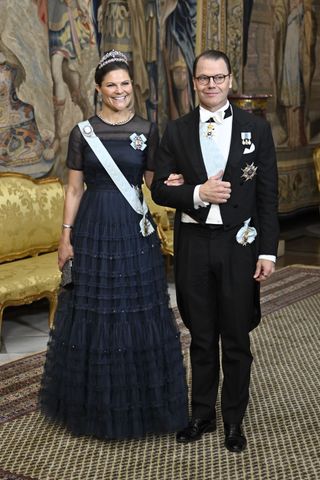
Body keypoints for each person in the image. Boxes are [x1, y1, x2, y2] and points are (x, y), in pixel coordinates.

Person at [39, 49, 188, 439]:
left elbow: (154, 181)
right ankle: (92, 404)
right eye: (111, 85)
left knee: (136, 310)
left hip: (133, 228)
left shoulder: (148, 128)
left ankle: (142, 403)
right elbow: (73, 189)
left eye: (124, 84)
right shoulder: (82, 132)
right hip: (92, 227)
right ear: (99, 89)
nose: (119, 90)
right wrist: (65, 236)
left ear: (130, 87)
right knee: (95, 310)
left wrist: (173, 183)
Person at [151, 49, 279, 452]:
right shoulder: (175, 130)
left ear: (229, 81)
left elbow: (268, 194)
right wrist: (196, 192)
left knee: (236, 336)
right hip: (194, 246)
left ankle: (234, 422)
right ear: (194, 82)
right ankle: (202, 414)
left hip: (239, 246)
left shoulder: (254, 129)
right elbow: (158, 189)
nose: (211, 84)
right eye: (204, 78)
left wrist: (268, 252)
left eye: (218, 77)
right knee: (202, 335)